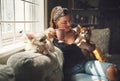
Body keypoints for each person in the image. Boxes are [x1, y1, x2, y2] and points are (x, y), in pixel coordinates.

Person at [45, 6, 120, 81]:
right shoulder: (51, 36)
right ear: (56, 22)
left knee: (113, 71)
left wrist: (86, 46)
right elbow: (37, 40)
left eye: (69, 20)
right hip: (72, 73)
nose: (69, 24)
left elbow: (93, 48)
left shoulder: (76, 30)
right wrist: (47, 35)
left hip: (86, 64)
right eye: (64, 22)